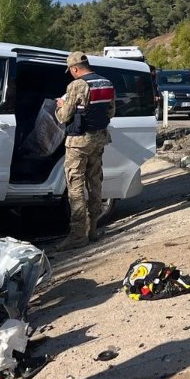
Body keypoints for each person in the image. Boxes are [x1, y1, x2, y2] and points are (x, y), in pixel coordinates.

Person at [55, 51, 116, 250]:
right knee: (95, 183)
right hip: (99, 138)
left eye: (70, 71)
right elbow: (111, 111)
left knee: (75, 186)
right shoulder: (106, 82)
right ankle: (93, 230)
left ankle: (77, 236)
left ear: (74, 68)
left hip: (79, 142)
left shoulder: (77, 85)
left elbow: (64, 117)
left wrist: (61, 106)